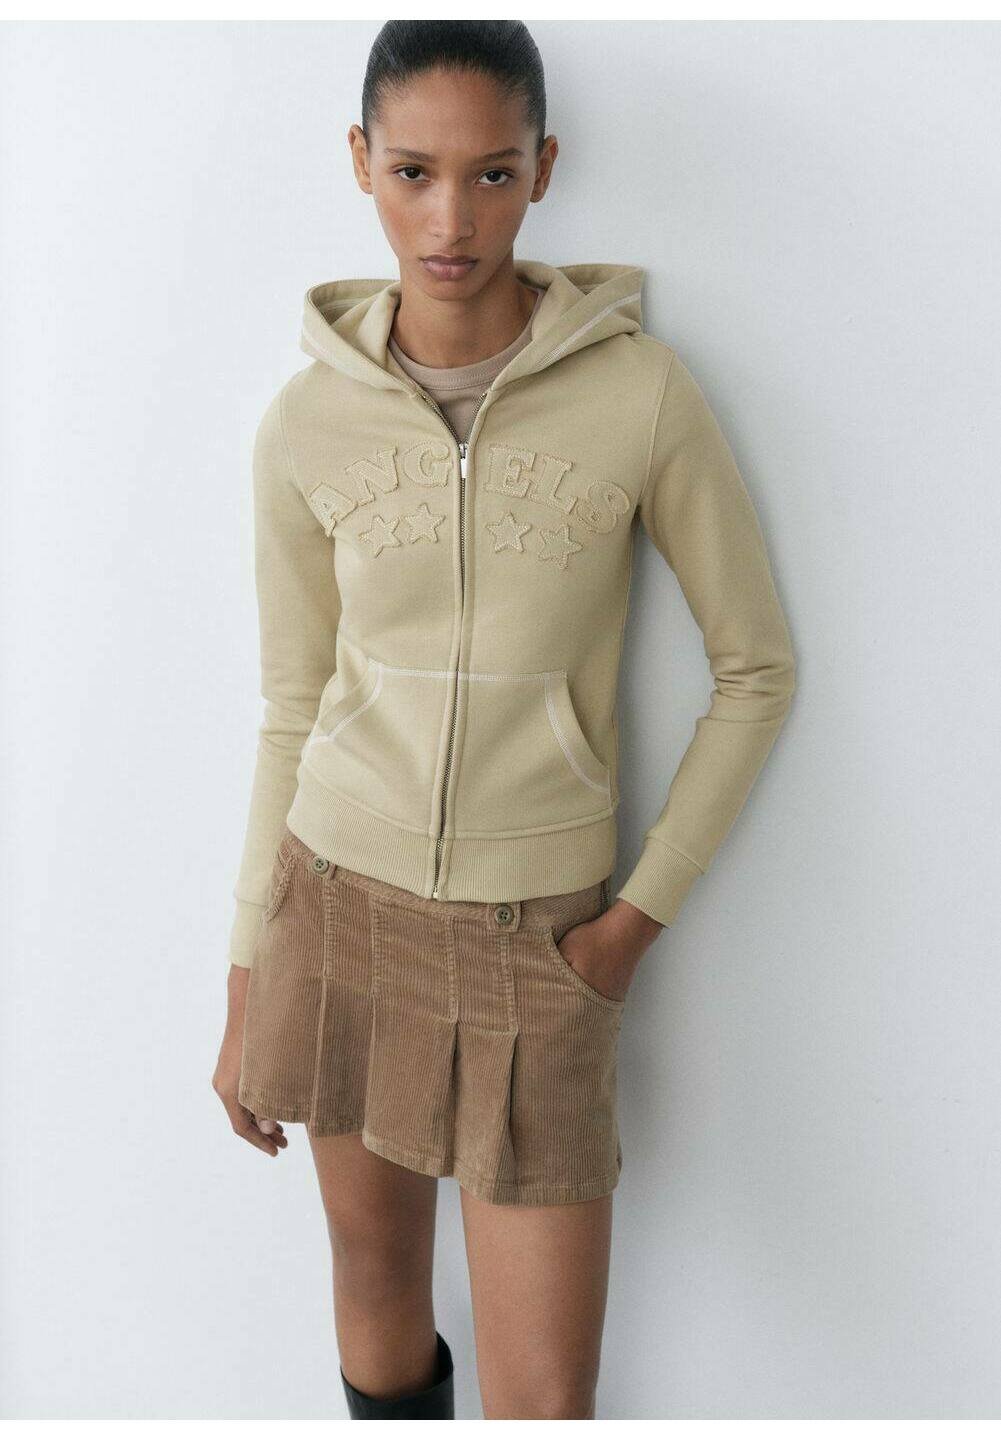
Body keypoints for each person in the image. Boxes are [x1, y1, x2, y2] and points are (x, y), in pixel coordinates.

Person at [212, 19, 796, 1422]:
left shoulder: (640, 396)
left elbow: (757, 669)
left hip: (537, 938)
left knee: (543, 1397)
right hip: (333, 909)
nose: (450, 220)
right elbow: (292, 703)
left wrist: (625, 928)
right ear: (361, 163)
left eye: (490, 174)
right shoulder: (305, 423)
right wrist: (247, 965)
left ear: (544, 168)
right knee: (375, 1297)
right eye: (413, 171)